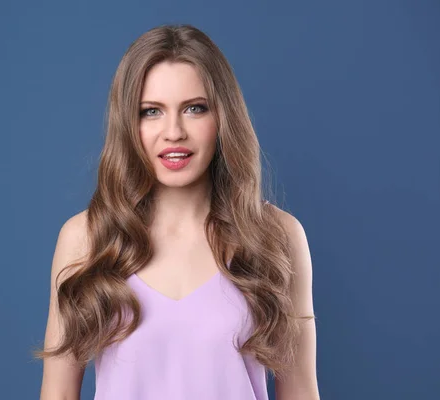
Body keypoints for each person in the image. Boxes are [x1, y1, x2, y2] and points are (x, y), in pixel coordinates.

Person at [34, 24, 320, 400]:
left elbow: (300, 393)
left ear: (223, 118)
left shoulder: (277, 236)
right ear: (128, 123)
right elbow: (57, 395)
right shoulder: (86, 238)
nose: (173, 132)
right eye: (151, 111)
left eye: (194, 109)